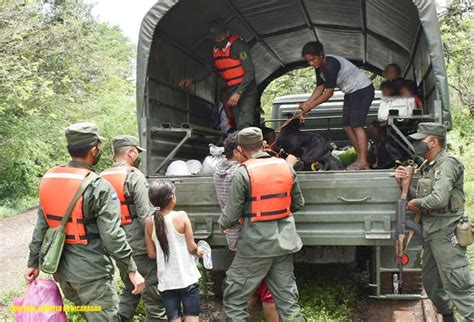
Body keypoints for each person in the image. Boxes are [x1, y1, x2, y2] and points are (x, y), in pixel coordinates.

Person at [25, 122, 145, 321]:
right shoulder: (98, 187)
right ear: (94, 149)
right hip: (92, 275)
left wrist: (33, 262)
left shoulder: (50, 178)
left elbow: (41, 226)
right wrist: (132, 270)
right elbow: (113, 236)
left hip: (63, 272)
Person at [219, 127, 305, 321]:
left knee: (234, 301)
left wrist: (222, 224)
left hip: (255, 246)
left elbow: (231, 215)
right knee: (288, 304)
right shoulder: (286, 167)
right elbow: (298, 204)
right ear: (264, 145)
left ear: (240, 149)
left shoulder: (243, 173)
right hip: (283, 244)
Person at [395, 123, 474, 322]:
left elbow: (438, 200)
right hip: (431, 233)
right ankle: (448, 318)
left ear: (433, 141)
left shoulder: (447, 163)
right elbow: (423, 200)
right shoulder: (428, 165)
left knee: (458, 287)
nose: (417, 143)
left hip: (446, 233)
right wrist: (403, 184)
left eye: (421, 139)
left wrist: (415, 203)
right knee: (431, 284)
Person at [213, 132, 279, 322]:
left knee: (248, 287)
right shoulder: (241, 173)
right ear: (237, 151)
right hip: (252, 235)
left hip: (234, 237)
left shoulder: (219, 170)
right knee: (268, 290)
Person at [101, 135, 166, 322]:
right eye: (137, 152)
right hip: (138, 246)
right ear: (130, 151)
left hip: (116, 247)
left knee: (132, 288)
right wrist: (157, 244)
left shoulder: (101, 177)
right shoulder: (133, 176)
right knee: (154, 294)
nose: (138, 156)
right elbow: (146, 216)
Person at [299, 41, 374, 170]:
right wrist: (307, 103)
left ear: (321, 55)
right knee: (347, 125)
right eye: (308, 61)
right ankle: (360, 158)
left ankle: (363, 161)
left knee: (357, 125)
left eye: (313, 59)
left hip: (362, 90)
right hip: (351, 92)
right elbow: (320, 87)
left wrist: (310, 106)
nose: (312, 63)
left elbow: (329, 93)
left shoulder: (331, 64)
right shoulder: (319, 68)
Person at [179, 18, 257, 130]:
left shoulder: (238, 46)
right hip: (231, 89)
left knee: (244, 123)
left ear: (227, 33)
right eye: (215, 39)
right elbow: (207, 68)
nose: (218, 41)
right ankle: (240, 145)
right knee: (237, 121)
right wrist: (192, 80)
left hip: (247, 89)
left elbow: (250, 72)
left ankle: (245, 146)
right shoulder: (214, 49)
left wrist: (238, 93)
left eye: (220, 38)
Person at [144, 180, 203, 322]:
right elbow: (191, 247)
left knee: (174, 318)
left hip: (166, 282)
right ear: (171, 197)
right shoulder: (181, 216)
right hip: (186, 277)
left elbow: (151, 254)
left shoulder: (149, 222)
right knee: (192, 316)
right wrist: (199, 251)